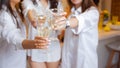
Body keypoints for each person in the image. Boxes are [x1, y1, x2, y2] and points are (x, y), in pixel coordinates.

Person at [0, 0, 49, 68]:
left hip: (19, 61)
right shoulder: (3, 15)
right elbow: (15, 38)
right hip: (9, 63)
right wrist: (35, 44)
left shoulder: (17, 10)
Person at [54, 0, 100, 68]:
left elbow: (79, 20)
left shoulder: (93, 12)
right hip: (69, 62)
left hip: (84, 63)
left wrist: (66, 23)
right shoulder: (71, 13)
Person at [21, 0, 62, 68]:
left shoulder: (57, 3)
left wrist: (59, 24)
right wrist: (51, 20)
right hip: (36, 48)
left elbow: (60, 28)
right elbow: (34, 22)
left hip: (53, 47)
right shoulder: (27, 2)